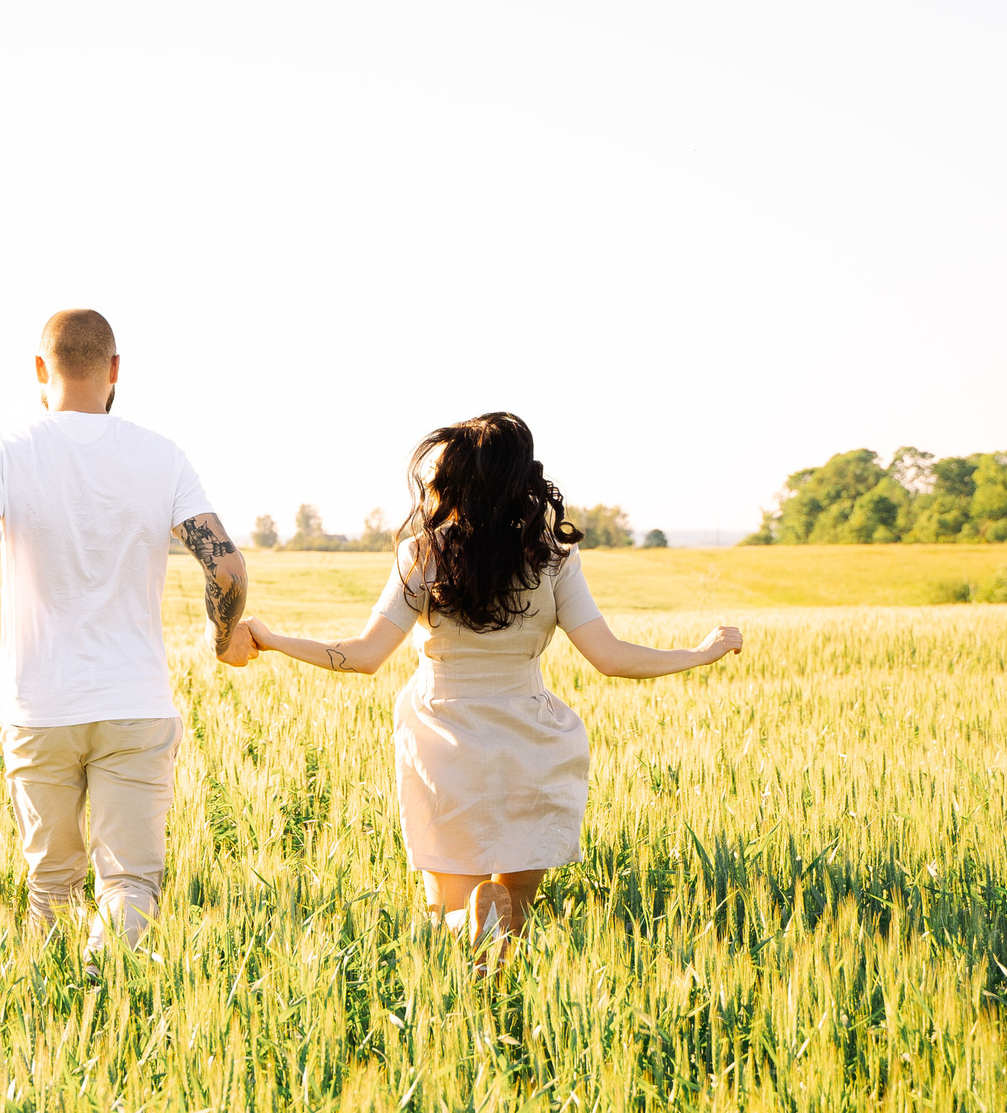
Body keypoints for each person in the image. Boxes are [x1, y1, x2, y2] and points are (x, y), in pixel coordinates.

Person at [239, 412, 740, 967]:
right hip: (532, 742)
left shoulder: (423, 555)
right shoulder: (553, 558)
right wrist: (700, 652)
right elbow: (612, 659)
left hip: (445, 741)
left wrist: (273, 639)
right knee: (511, 924)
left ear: (457, 480)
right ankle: (501, 993)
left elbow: (363, 656)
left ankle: (466, 932)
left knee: (452, 921)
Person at [0, 309, 253, 951]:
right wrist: (224, 637)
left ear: (40, 368)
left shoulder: (8, 451)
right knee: (130, 884)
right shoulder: (162, 456)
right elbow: (226, 568)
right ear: (115, 369)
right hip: (134, 705)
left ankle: (53, 1002)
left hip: (39, 710)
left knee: (51, 887)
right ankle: (106, 978)